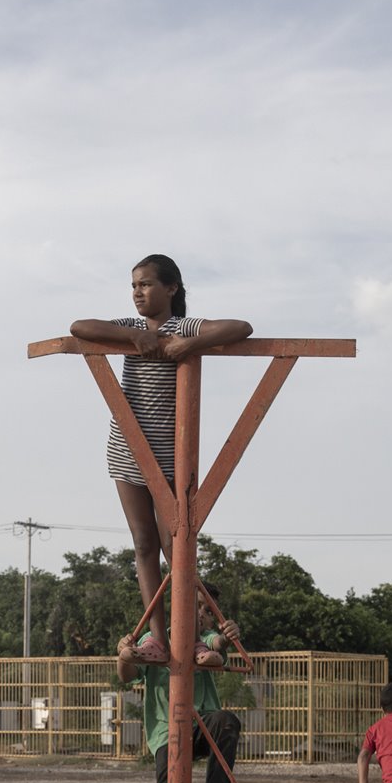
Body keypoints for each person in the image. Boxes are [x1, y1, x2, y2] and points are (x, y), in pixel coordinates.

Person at [73, 255, 252, 663]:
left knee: (177, 547)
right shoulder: (131, 329)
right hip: (127, 449)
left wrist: (190, 343)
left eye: (147, 284)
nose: (138, 292)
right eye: (134, 285)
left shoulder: (181, 326)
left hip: (169, 457)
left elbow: (241, 328)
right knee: (143, 544)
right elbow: (79, 327)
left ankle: (188, 636)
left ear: (171, 289)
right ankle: (156, 637)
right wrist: (136, 340)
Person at [117, 588, 243, 783]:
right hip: (168, 729)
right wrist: (125, 654)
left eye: (208, 610)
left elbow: (219, 644)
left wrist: (229, 636)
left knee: (227, 721)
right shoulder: (157, 640)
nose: (201, 613)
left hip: (202, 724)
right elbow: (126, 676)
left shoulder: (205, 641)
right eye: (196, 605)